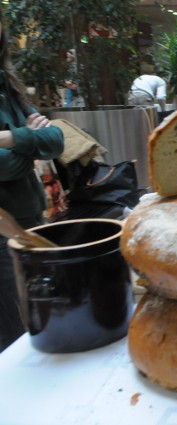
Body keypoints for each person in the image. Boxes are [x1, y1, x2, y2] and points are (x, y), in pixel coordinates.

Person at [0, 9, 65, 352]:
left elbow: (56, 140)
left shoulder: (8, 84)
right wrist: (30, 137)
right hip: (4, 229)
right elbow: (5, 167)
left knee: (39, 321)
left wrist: (11, 138)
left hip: (30, 221)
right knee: (16, 338)